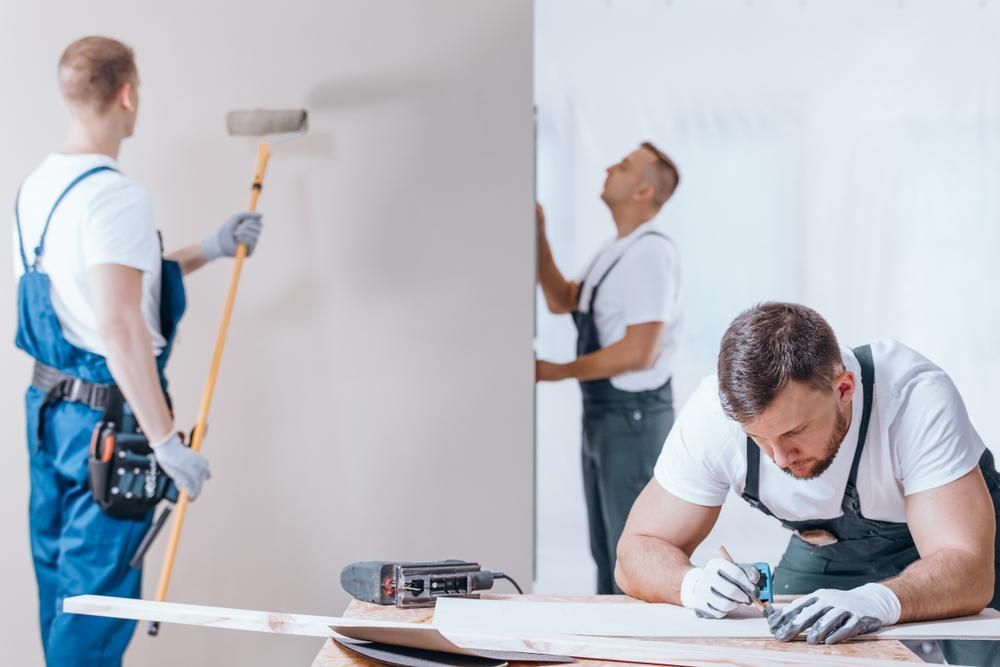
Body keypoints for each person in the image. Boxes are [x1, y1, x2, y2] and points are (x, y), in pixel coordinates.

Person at [13, 36, 263, 666]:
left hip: (52, 412)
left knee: (63, 596)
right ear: (126, 94)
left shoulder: (39, 186)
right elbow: (120, 325)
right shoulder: (118, 196)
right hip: (110, 426)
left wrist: (209, 245)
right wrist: (166, 442)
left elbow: (108, 287)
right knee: (94, 610)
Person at [617, 302, 1000, 663]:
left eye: (794, 432)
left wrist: (880, 600)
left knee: (985, 650)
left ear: (844, 389)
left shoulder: (913, 396)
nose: (779, 458)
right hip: (829, 547)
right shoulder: (713, 418)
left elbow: (969, 569)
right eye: (758, 439)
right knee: (780, 645)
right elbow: (635, 553)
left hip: (961, 545)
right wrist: (692, 585)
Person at [535, 142, 682, 593]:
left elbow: (640, 351)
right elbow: (563, 299)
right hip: (605, 416)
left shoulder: (650, 254)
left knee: (631, 556)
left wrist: (556, 370)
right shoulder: (617, 250)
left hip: (632, 419)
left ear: (643, 191)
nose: (608, 168)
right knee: (606, 550)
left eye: (622, 166)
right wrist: (537, 232)